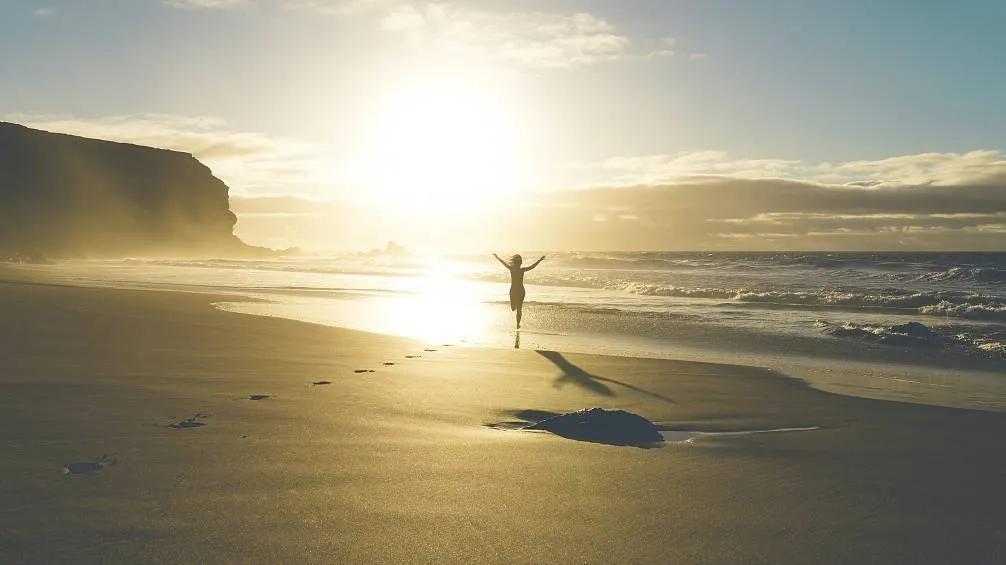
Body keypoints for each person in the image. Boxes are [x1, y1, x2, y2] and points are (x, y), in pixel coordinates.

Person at [492, 253, 545, 329]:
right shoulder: (514, 269)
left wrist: (540, 260)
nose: (520, 263)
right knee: (514, 308)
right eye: (520, 262)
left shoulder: (517, 269)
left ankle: (517, 324)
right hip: (517, 291)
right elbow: (532, 266)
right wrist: (497, 258)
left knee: (518, 308)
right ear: (518, 263)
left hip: (518, 290)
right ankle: (518, 320)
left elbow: (532, 267)